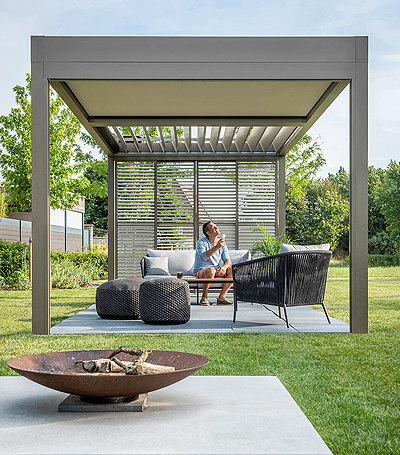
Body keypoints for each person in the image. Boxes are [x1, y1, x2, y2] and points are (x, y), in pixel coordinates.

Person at [193, 221, 233, 305]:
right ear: (208, 233)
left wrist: (224, 268)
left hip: (216, 269)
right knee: (211, 270)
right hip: (201, 270)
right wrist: (217, 247)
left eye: (216, 226)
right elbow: (203, 256)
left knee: (232, 270)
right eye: (213, 227)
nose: (216, 228)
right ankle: (204, 297)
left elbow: (228, 261)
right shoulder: (201, 242)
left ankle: (221, 298)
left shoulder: (222, 244)